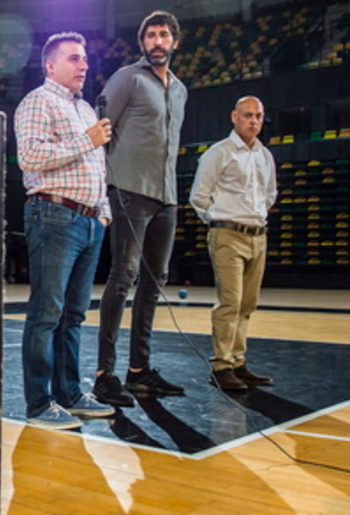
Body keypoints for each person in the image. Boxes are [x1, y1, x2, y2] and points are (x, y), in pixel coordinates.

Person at [15, 31, 115, 430]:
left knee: (73, 315)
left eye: (85, 59)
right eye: (74, 58)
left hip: (90, 221)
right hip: (53, 215)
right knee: (46, 314)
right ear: (51, 66)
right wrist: (84, 140)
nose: (84, 65)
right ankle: (40, 404)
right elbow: (30, 156)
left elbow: (99, 168)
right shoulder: (37, 102)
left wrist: (103, 214)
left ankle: (70, 395)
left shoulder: (86, 109)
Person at [93, 11, 188, 407]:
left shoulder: (180, 90)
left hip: (166, 196)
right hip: (129, 191)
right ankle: (104, 374)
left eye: (163, 34)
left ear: (175, 42)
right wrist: (102, 192)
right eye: (150, 35)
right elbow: (101, 133)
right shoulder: (127, 78)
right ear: (142, 42)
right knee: (123, 277)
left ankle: (138, 371)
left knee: (156, 281)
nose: (157, 41)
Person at [189, 96, 277, 391]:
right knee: (230, 301)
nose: (254, 121)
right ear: (234, 117)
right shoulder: (219, 153)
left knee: (247, 303)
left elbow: (270, 194)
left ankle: (238, 361)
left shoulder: (264, 155)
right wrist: (218, 221)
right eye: (247, 115)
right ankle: (221, 366)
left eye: (258, 116)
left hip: (258, 235)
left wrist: (256, 216)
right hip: (227, 234)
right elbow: (199, 196)